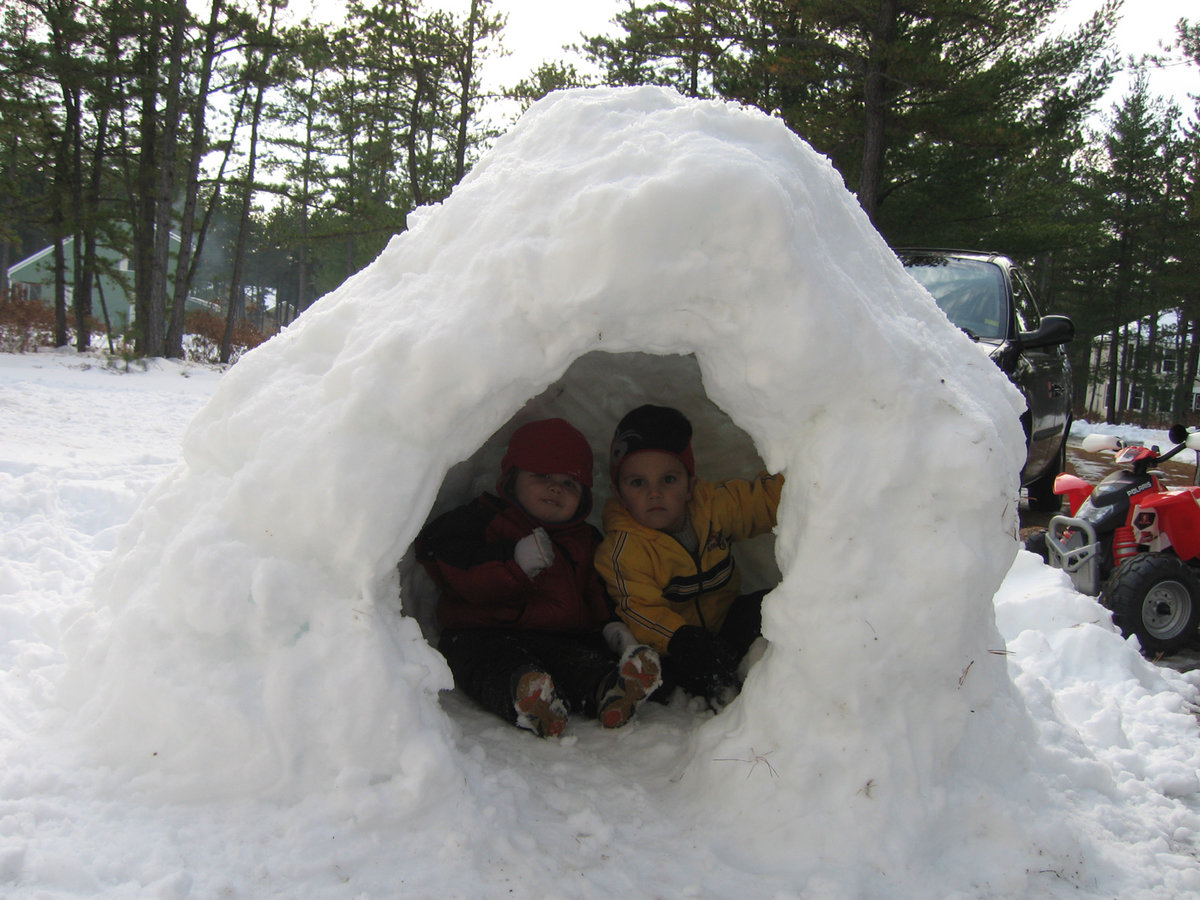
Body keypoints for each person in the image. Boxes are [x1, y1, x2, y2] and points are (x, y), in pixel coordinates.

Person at [415, 418, 661, 738]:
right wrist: (511, 564)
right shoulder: (484, 519)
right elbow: (447, 559)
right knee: (495, 666)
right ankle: (527, 698)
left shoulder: (585, 541)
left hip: (559, 637)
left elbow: (600, 588)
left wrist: (613, 627)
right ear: (513, 478)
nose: (556, 487)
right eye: (542, 476)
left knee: (577, 662)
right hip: (483, 633)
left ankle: (611, 690)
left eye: (569, 483)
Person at [595, 405, 784, 708]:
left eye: (668, 480)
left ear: (690, 486)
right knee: (673, 674)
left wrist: (809, 479)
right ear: (619, 494)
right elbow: (642, 611)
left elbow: (762, 504)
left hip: (725, 621)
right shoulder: (624, 549)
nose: (654, 493)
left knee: (779, 607)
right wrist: (683, 640)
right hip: (675, 643)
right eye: (637, 483)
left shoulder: (713, 507)